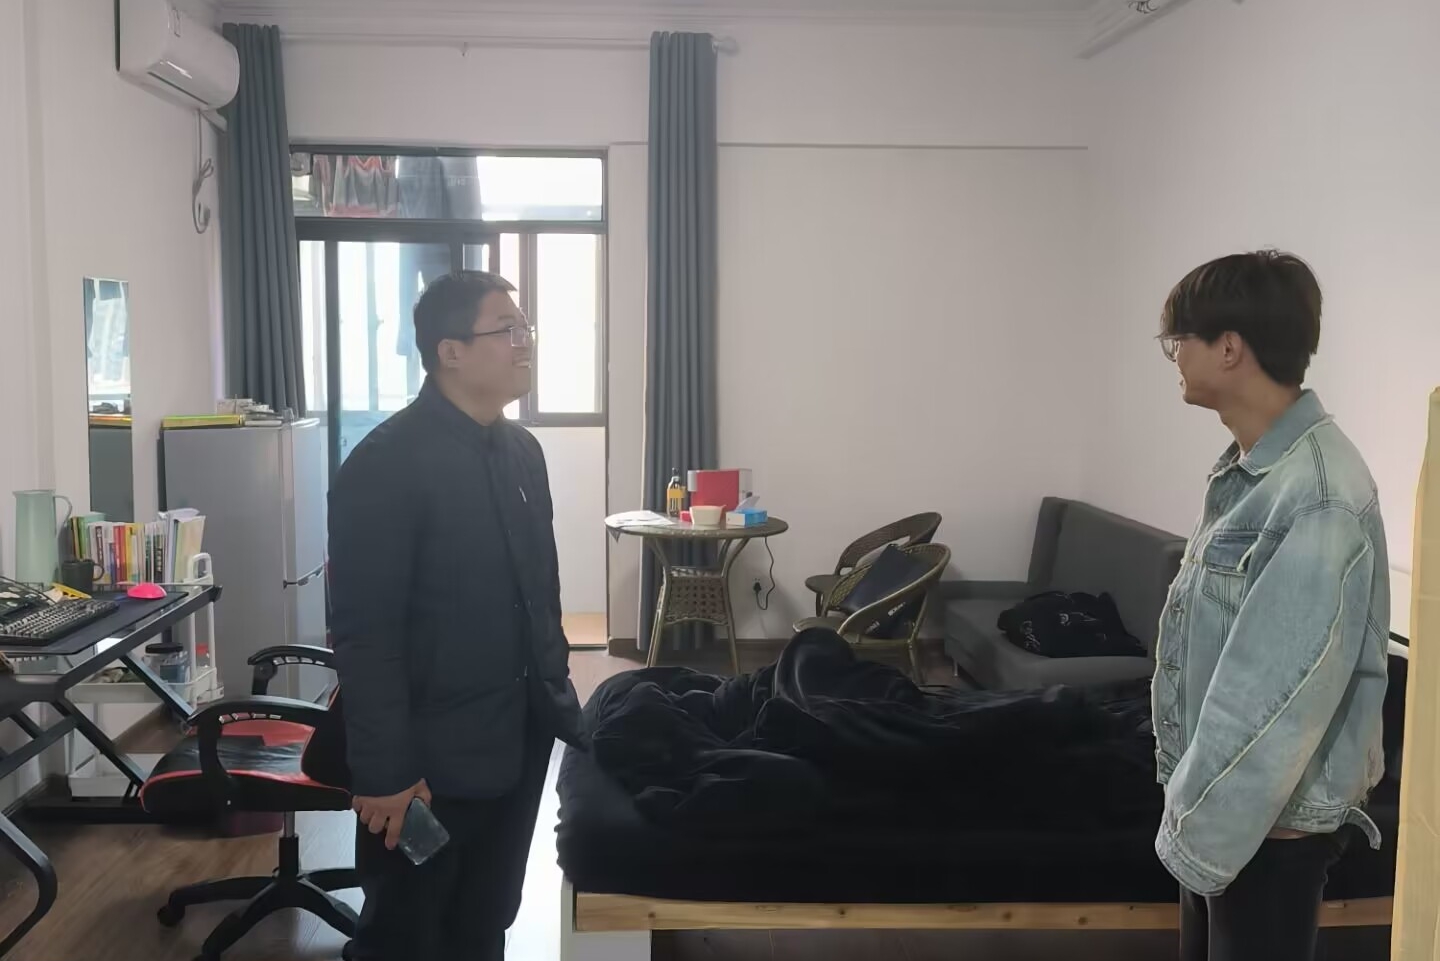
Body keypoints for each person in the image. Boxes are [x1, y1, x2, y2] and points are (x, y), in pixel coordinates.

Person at [327, 270, 585, 961]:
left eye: (525, 328)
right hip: (426, 764)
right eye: (508, 329)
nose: (525, 342)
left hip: (517, 739)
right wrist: (385, 771)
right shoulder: (385, 464)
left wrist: (556, 701)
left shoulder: (522, 452)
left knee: (486, 917)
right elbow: (364, 633)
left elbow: (540, 593)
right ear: (450, 351)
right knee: (407, 931)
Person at [1153, 250, 1390, 961]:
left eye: (1178, 340)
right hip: (1226, 808)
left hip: (1266, 823)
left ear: (1229, 347)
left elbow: (1270, 699)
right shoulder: (1252, 472)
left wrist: (1193, 831)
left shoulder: (1317, 491)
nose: (1174, 357)